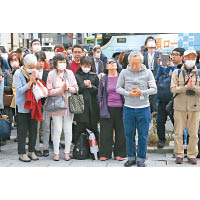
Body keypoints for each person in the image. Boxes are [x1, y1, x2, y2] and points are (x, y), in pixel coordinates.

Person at [116, 51, 157, 167]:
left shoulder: (148, 73)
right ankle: (131, 157)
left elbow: (154, 89)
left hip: (143, 108)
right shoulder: (124, 72)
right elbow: (118, 88)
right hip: (128, 108)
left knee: (143, 135)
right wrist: (128, 93)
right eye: (132, 63)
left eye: (137, 64)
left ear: (141, 62)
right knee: (129, 134)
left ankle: (141, 158)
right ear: (129, 62)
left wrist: (141, 92)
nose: (134, 66)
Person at [46, 53, 78, 161]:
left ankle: (67, 152)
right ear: (55, 63)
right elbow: (49, 91)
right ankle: (56, 153)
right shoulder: (51, 74)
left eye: (64, 62)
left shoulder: (70, 73)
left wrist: (68, 88)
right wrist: (60, 89)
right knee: (57, 129)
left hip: (68, 104)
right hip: (56, 104)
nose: (62, 64)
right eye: (60, 62)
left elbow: (76, 89)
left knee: (68, 129)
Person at [171, 49, 200, 165]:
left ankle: (192, 154)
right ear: (183, 58)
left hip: (195, 107)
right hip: (179, 106)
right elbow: (173, 89)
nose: (191, 60)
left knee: (193, 133)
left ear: (196, 59)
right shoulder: (176, 72)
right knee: (178, 132)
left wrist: (194, 88)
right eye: (188, 57)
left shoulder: (199, 73)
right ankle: (179, 154)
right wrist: (185, 87)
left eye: (193, 58)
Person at [98, 58, 126, 161]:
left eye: (114, 62)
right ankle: (105, 153)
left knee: (121, 132)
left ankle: (120, 154)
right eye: (109, 63)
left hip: (121, 108)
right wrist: (101, 105)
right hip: (107, 108)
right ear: (106, 67)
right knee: (105, 132)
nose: (112, 64)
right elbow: (100, 95)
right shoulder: (103, 79)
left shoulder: (122, 77)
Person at [14, 54, 40, 162]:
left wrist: (35, 82)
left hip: (34, 106)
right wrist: (30, 82)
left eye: (33, 66)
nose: (32, 68)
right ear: (24, 65)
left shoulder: (36, 72)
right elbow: (19, 90)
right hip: (22, 106)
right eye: (30, 66)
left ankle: (31, 151)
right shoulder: (18, 73)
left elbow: (39, 86)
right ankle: (21, 153)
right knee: (22, 131)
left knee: (34, 130)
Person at [74, 56, 100, 148]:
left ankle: (97, 149)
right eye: (84, 65)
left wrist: (91, 87)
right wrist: (83, 85)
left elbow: (98, 89)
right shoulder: (76, 76)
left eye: (88, 65)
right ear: (80, 65)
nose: (86, 67)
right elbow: (75, 90)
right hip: (80, 105)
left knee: (94, 128)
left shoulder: (94, 76)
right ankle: (78, 148)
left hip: (92, 106)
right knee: (79, 128)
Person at [34, 52, 50, 157]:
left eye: (42, 61)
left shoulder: (47, 73)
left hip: (46, 102)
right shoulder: (32, 73)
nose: (41, 63)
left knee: (46, 126)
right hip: (35, 103)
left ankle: (46, 147)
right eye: (39, 61)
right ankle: (36, 147)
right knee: (36, 126)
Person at [143, 36, 160, 113]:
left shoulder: (160, 54)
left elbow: (163, 67)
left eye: (152, 41)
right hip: (145, 79)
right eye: (149, 41)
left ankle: (155, 114)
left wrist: (156, 78)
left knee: (155, 98)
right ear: (146, 45)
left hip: (156, 77)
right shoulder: (143, 55)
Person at [0, 56, 13, 128]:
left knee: (5, 125)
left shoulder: (6, 73)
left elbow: (10, 87)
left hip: (4, 101)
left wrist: (1, 88)